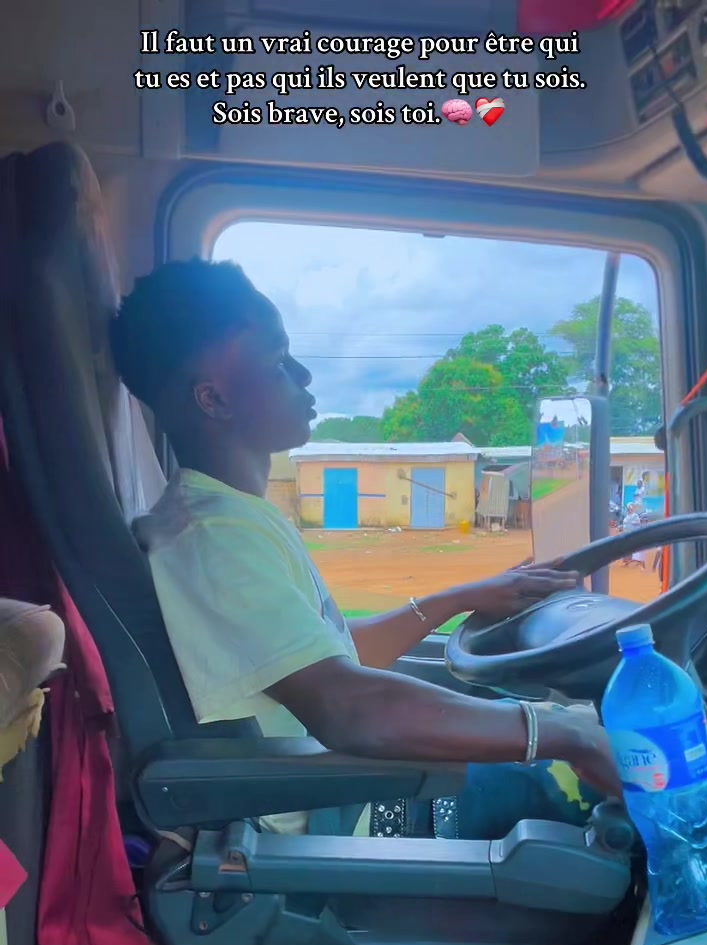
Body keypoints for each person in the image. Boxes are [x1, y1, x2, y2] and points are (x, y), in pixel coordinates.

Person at [110, 259, 620, 844]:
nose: (304, 376)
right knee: (581, 779)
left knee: (544, 724)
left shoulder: (232, 517)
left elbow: (333, 659)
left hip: (347, 786)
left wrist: (463, 597)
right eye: (279, 363)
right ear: (215, 399)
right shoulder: (215, 538)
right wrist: (564, 735)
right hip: (337, 813)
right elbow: (347, 708)